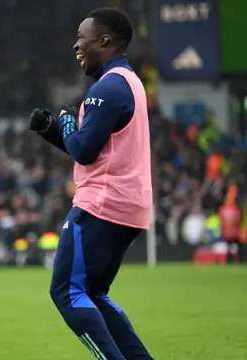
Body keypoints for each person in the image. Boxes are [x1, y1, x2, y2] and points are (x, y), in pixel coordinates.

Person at [29, 7, 154, 360]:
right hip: (128, 204)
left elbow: (83, 150)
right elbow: (91, 145)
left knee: (67, 291)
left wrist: (67, 120)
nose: (76, 46)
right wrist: (54, 129)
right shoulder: (128, 82)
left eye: (81, 39)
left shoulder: (109, 87)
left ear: (104, 41)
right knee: (94, 293)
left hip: (102, 203)